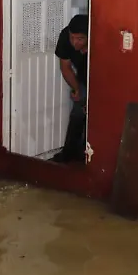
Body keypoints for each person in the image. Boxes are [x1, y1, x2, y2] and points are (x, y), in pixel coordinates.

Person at [51, 14, 88, 164]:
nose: (74, 42)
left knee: (94, 114)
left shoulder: (100, 41)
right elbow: (65, 67)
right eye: (72, 37)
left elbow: (104, 76)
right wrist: (77, 89)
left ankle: (86, 154)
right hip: (82, 75)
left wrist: (92, 100)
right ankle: (69, 152)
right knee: (78, 111)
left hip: (100, 77)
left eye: (80, 39)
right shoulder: (65, 37)